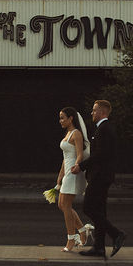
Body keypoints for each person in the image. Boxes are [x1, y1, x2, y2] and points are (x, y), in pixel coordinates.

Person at [72, 99, 126, 258]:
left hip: (100, 177)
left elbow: (100, 155)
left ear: (102, 112)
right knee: (100, 211)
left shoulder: (104, 129)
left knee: (88, 208)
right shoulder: (104, 128)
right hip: (102, 176)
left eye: (94, 110)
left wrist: (81, 166)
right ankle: (99, 248)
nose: (92, 113)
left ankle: (116, 234)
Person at [55, 107, 94, 252]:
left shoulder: (76, 133)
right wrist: (60, 176)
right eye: (60, 118)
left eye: (62, 118)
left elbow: (79, 155)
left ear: (71, 118)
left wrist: (76, 167)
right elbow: (65, 158)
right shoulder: (68, 133)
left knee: (65, 205)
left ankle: (71, 239)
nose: (60, 121)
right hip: (67, 172)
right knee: (62, 205)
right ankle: (82, 231)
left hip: (73, 172)